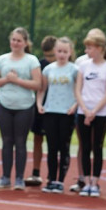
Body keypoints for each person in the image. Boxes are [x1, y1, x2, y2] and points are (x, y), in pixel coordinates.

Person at [0, 27, 42, 190]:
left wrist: (17, 80)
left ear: (25, 43)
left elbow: (37, 84)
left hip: (24, 107)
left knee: (20, 142)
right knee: (6, 141)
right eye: (13, 39)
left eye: (19, 40)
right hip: (5, 105)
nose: (15, 43)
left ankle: (19, 178)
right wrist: (6, 79)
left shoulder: (32, 60)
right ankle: (5, 177)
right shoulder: (2, 60)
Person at [74, 29, 106, 198]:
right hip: (83, 111)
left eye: (90, 48)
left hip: (100, 113)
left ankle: (94, 182)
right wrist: (85, 109)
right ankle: (85, 181)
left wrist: (94, 111)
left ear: (99, 48)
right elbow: (78, 89)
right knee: (84, 147)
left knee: (97, 147)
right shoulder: (83, 65)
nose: (87, 51)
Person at [38, 37, 78, 193]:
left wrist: (75, 106)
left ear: (70, 52)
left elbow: (78, 91)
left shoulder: (74, 69)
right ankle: (51, 179)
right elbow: (42, 89)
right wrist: (39, 104)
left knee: (64, 146)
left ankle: (60, 181)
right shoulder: (48, 69)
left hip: (66, 112)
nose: (62, 54)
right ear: (55, 51)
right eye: (59, 51)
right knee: (52, 147)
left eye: (65, 51)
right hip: (50, 111)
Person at [26, 35, 56, 187]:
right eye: (46, 55)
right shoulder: (40, 64)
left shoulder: (66, 66)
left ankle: (53, 175)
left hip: (57, 109)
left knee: (54, 142)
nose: (49, 58)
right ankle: (36, 172)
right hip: (40, 107)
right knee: (37, 138)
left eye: (51, 55)